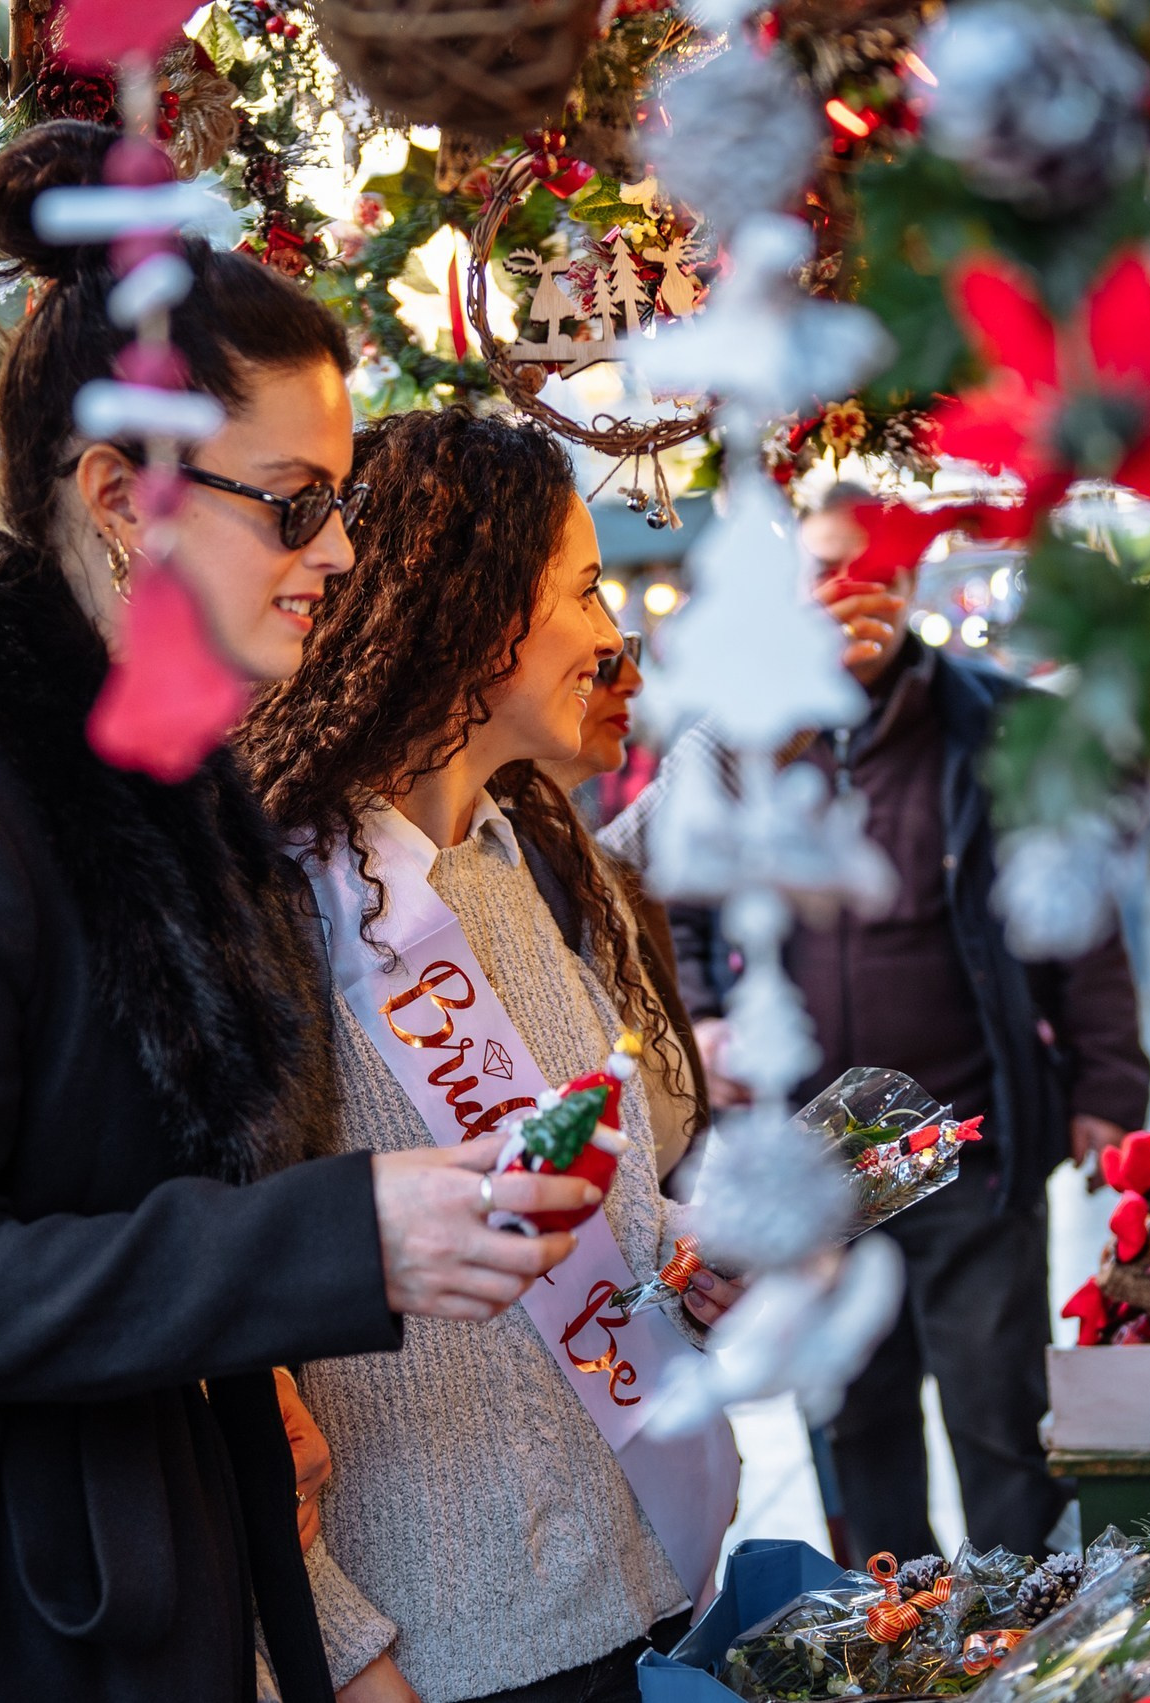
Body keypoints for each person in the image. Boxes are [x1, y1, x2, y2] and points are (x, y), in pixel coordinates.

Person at [0, 125, 593, 1703]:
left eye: (338, 504)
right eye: (295, 503)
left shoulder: (175, 806)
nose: (340, 554)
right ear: (122, 499)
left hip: (99, 1575)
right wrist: (344, 1232)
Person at [242, 409, 740, 1703]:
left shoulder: (518, 859)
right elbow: (232, 1334)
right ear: (470, 617)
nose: (609, 632)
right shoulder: (285, 911)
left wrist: (677, 1248)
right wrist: (346, 1652)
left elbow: (534, 1202)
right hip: (438, 1655)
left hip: (610, 1595)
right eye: (580, 588)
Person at [666, 492, 1150, 1564]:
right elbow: (686, 903)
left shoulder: (997, 726)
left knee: (998, 1414)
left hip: (964, 1131)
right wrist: (700, 1019)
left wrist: (1108, 1085)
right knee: (854, 1418)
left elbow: (1075, 915)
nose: (857, 593)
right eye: (831, 569)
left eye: (881, 571)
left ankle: (1025, 1640)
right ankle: (894, 1635)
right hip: (812, 1153)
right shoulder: (745, 740)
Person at [539, 633, 710, 1182]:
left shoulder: (574, 855)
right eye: (607, 661)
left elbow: (685, 801)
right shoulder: (505, 859)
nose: (632, 681)